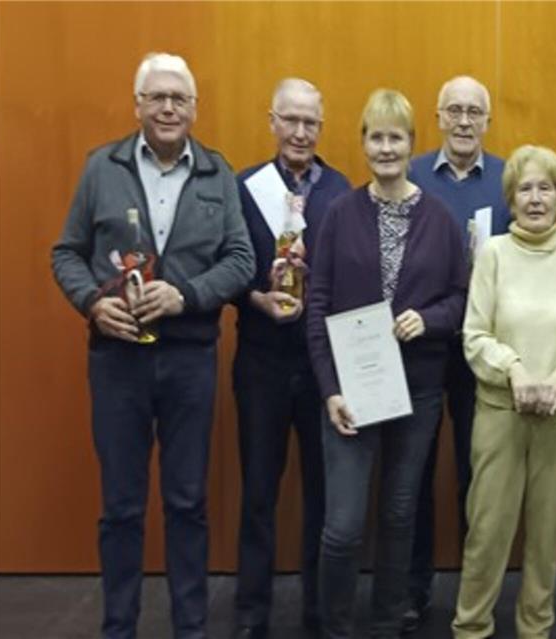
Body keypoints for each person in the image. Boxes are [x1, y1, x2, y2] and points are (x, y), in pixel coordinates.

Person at [51, 52, 254, 639]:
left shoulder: (217, 172)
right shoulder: (102, 168)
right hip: (117, 361)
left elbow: (241, 260)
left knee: (187, 503)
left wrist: (185, 295)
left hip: (190, 359)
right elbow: (66, 253)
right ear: (138, 104)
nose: (168, 108)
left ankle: (190, 627)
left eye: (179, 98)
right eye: (157, 97)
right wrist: (92, 302)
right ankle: (119, 627)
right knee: (121, 507)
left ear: (194, 108)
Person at [305, 88, 468, 639]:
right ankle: (335, 627)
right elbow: (317, 304)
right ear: (363, 144)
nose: (386, 147)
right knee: (343, 526)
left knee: (400, 516)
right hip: (351, 390)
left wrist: (431, 319)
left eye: (396, 137)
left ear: (412, 144)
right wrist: (329, 390)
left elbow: (462, 297)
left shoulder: (440, 219)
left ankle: (386, 623)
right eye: (376, 137)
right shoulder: (339, 214)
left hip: (418, 391)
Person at [452, 145, 556, 639]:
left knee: (545, 538)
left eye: (546, 188)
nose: (536, 198)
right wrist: (514, 371)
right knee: (486, 533)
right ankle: (471, 627)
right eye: (525, 188)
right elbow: (475, 334)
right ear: (511, 198)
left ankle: (535, 629)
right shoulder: (493, 255)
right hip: (500, 413)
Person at [232, 78, 351, 639]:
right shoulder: (244, 187)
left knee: (322, 496)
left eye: (311, 123)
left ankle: (318, 613)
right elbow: (227, 265)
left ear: (321, 128)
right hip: (261, 362)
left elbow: (352, 272)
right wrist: (253, 297)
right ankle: (251, 615)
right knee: (259, 492)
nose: (301, 132)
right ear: (272, 122)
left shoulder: (341, 191)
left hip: (322, 363)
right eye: (291, 120)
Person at [405, 74, 509, 632]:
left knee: (481, 477)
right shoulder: (414, 175)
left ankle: (477, 592)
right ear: (438, 117)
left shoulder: (508, 179)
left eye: (474, 112)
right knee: (415, 472)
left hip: (485, 353)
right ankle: (412, 590)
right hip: (422, 347)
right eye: (455, 110)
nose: (464, 121)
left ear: (488, 121)